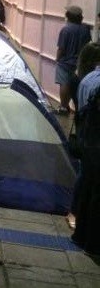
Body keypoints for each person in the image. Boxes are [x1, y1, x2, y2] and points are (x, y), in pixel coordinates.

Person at [70, 42, 100, 257]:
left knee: (86, 184)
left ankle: (80, 233)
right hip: (96, 144)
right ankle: (92, 241)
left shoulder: (85, 79)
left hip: (86, 141)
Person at [55, 6, 91, 115]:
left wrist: (57, 58)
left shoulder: (66, 30)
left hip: (65, 62)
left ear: (68, 16)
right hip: (79, 63)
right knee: (73, 84)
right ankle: (71, 106)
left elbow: (61, 48)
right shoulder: (85, 29)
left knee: (64, 83)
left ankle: (63, 107)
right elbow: (87, 45)